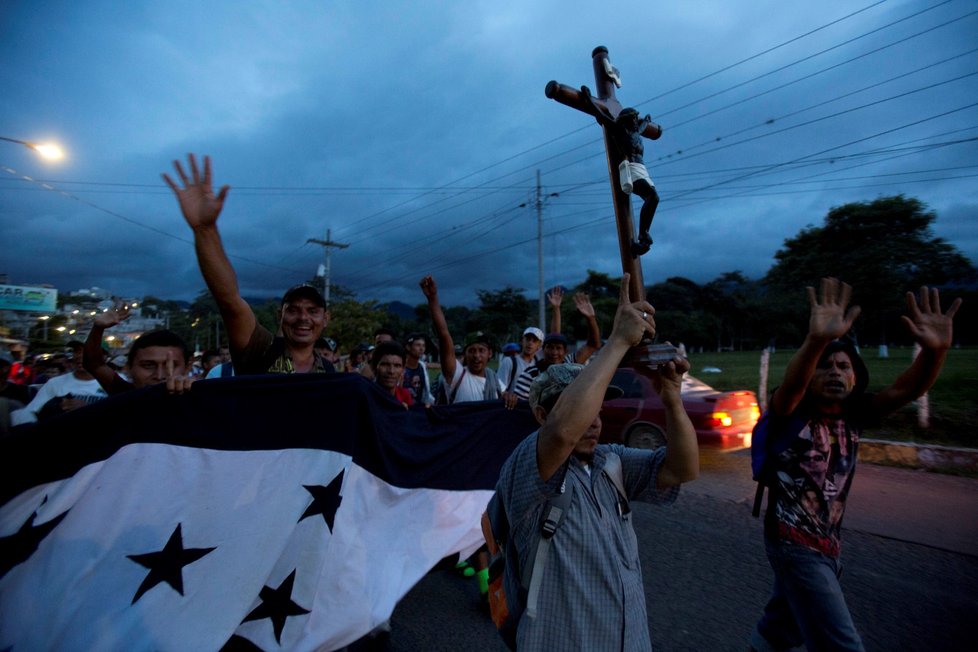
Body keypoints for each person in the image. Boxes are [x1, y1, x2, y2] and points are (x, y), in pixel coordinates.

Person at [750, 278, 961, 652]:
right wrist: (815, 341)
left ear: (855, 375)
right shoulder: (791, 413)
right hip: (793, 541)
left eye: (843, 366)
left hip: (829, 543)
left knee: (782, 627)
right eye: (824, 366)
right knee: (842, 644)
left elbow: (906, 389)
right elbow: (792, 384)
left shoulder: (855, 414)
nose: (834, 372)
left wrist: (935, 352)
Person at [494, 273, 699, 650]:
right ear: (541, 415)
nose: (594, 420)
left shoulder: (611, 461)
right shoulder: (529, 462)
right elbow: (562, 434)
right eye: (578, 406)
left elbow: (682, 468)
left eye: (598, 406)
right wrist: (618, 340)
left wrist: (672, 397)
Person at [163, 154, 335, 376]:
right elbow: (229, 302)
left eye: (313, 311)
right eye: (293, 310)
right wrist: (205, 230)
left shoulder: (329, 372)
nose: (303, 318)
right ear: (279, 316)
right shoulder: (260, 350)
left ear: (326, 319)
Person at [582, 90, 659, 256]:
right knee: (652, 196)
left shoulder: (636, 132)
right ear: (627, 120)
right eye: (634, 118)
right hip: (631, 169)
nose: (636, 121)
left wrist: (646, 120)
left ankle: (643, 236)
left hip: (642, 169)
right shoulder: (620, 130)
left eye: (636, 119)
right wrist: (588, 99)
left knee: (654, 198)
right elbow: (601, 117)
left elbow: (643, 125)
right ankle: (643, 234)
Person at [420, 275, 508, 405]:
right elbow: (443, 334)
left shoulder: (494, 380)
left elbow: (507, 396)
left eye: (481, 350)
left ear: (489, 353)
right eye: (471, 350)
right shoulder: (456, 375)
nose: (476, 356)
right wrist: (433, 298)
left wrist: (510, 397)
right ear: (465, 354)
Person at [84, 303, 195, 395]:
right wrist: (98, 328)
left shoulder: (200, 398)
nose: (160, 376)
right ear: (128, 368)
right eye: (148, 365)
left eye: (170, 366)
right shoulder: (125, 395)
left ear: (188, 367)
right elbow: (95, 365)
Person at [11, 341, 109, 425]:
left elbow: (120, 418)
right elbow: (30, 412)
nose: (80, 356)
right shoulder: (55, 383)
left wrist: (88, 409)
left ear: (104, 357)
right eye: (77, 351)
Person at [496, 327, 544, 393]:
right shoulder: (509, 362)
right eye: (528, 339)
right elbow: (499, 387)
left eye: (534, 341)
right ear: (522, 341)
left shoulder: (538, 363)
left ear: (539, 345)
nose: (530, 343)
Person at [370, 340, 413, 409]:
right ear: (374, 367)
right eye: (385, 364)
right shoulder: (366, 395)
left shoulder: (404, 395)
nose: (391, 371)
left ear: (403, 369)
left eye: (397, 366)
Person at [402, 333, 434, 407]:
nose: (421, 348)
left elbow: (426, 390)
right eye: (418, 345)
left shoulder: (422, 367)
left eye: (423, 345)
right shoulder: (401, 367)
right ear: (408, 347)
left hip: (419, 408)